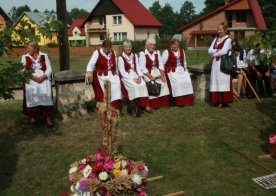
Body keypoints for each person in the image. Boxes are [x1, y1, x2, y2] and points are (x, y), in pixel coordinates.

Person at [21, 41, 54, 126]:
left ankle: (48, 117)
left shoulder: (44, 56)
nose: (27, 49)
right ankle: (33, 116)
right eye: (27, 48)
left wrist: (43, 76)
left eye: (29, 48)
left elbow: (49, 69)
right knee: (33, 95)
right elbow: (22, 70)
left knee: (45, 95)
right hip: (31, 79)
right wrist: (33, 77)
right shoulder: (25, 57)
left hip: (43, 79)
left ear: (35, 49)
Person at [118, 40, 151, 116]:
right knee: (135, 86)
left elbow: (138, 67)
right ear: (123, 48)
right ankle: (136, 106)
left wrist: (139, 76)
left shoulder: (135, 55)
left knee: (142, 84)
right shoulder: (121, 58)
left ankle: (145, 105)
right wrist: (133, 79)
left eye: (129, 47)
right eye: (126, 47)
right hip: (126, 76)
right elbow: (122, 71)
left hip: (135, 74)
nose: (128, 48)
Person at [86, 40, 121, 109]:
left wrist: (117, 74)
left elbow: (116, 66)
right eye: (105, 48)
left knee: (116, 84)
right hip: (100, 74)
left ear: (111, 48)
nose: (106, 50)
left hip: (112, 74)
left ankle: (114, 105)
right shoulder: (97, 53)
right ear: (102, 47)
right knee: (104, 85)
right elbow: (90, 64)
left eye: (108, 49)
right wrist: (89, 71)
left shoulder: (113, 53)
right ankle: (103, 105)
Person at [161, 38, 194, 106]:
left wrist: (186, 71)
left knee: (187, 80)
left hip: (181, 70)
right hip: (172, 71)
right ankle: (179, 101)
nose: (174, 46)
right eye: (172, 44)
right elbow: (162, 64)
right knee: (178, 82)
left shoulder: (182, 51)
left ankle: (188, 101)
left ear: (178, 44)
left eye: (175, 44)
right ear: (170, 45)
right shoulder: (167, 52)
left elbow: (184, 62)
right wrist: (163, 74)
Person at [139, 38, 170, 109]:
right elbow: (142, 67)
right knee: (152, 84)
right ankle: (155, 104)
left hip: (157, 71)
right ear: (146, 46)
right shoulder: (142, 53)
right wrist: (150, 76)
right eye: (151, 45)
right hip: (148, 73)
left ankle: (163, 103)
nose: (153, 46)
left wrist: (162, 75)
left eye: (154, 45)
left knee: (163, 82)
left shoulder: (157, 52)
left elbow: (161, 64)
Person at [208, 23, 233, 107]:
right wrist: (217, 51)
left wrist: (214, 53)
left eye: (220, 29)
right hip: (215, 63)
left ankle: (224, 101)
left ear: (225, 30)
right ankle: (217, 100)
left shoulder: (228, 40)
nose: (219, 31)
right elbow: (209, 50)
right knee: (216, 80)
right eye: (218, 29)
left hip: (223, 63)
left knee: (223, 80)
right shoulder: (216, 39)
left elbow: (224, 51)